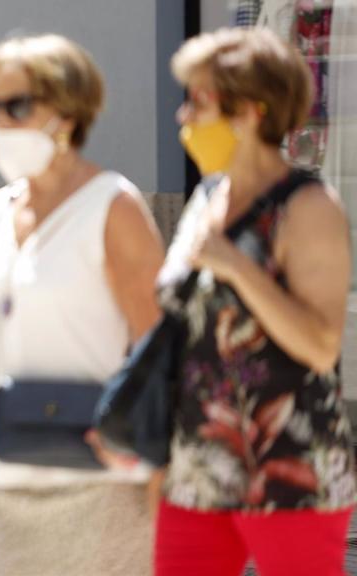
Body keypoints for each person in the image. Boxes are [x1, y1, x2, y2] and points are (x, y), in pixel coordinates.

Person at [155, 27, 356, 576]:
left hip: (292, 469)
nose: (184, 119)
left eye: (198, 102)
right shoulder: (205, 199)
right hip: (197, 468)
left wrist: (238, 266)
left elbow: (320, 345)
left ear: (249, 110)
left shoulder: (308, 206)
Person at [0, 34, 165, 575]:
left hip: (98, 486)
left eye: (18, 105)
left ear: (69, 111)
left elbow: (159, 349)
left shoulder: (113, 207)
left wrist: (159, 481)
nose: (1, 121)